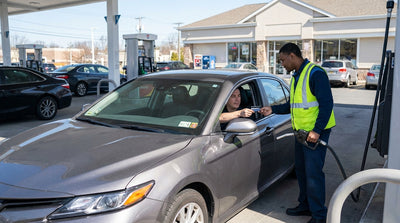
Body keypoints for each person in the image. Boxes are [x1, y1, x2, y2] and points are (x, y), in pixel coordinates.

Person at [259, 43, 335, 223]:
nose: (282, 64)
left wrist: (316, 131)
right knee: (301, 171)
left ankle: (318, 216)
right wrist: (273, 109)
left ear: (293, 56)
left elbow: (327, 105)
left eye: (283, 60)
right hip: (301, 134)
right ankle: (305, 205)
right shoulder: (296, 76)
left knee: (313, 174)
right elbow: (293, 106)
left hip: (315, 134)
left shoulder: (315, 73)